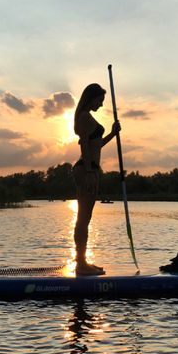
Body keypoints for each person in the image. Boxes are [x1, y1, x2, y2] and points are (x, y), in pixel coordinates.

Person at [72, 83, 121, 276]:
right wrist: (91, 172)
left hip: (89, 169)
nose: (101, 105)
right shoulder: (84, 117)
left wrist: (112, 133)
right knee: (83, 218)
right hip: (86, 170)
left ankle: (83, 262)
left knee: (86, 218)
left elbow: (96, 144)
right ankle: (81, 265)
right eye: (100, 100)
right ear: (91, 98)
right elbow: (84, 145)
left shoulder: (88, 117)